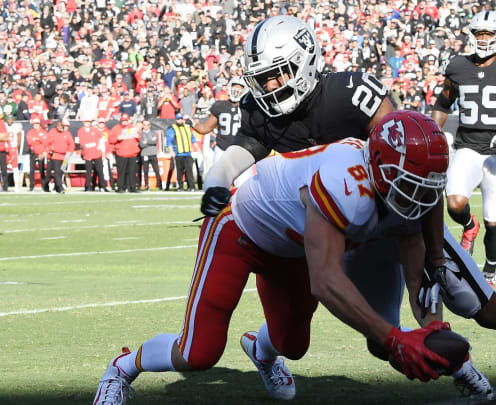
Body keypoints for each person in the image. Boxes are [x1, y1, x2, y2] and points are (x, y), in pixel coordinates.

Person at [200, 15, 492, 398]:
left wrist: (429, 237)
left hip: (384, 209)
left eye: (279, 73)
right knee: (311, 330)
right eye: (264, 77)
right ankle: (263, 349)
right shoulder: (262, 109)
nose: (270, 86)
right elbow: (244, 150)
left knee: (436, 288)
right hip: (331, 219)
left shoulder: (348, 92)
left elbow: (404, 150)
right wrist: (216, 181)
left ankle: (463, 370)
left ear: (304, 61)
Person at [94, 112, 457, 403]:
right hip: (239, 230)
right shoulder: (345, 182)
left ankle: (259, 349)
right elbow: (327, 281)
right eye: (409, 183)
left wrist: (431, 329)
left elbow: (417, 270)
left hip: (292, 247)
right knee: (198, 353)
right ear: (380, 167)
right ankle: (122, 367)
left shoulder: (390, 181)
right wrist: (393, 337)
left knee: (293, 347)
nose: (416, 196)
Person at [430, 10, 496, 288]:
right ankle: (468, 226)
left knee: (494, 221)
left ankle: (489, 271)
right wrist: (432, 132)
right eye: (479, 33)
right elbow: (443, 105)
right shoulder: (457, 66)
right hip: (467, 146)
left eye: (489, 33)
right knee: (453, 203)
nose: (484, 39)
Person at [192, 77, 245, 166]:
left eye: (240, 88)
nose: (236, 91)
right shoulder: (220, 105)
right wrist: (193, 123)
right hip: (222, 149)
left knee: (244, 179)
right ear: (229, 88)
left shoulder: (247, 108)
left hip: (241, 151)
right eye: (234, 87)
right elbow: (205, 128)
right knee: (217, 179)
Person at [165, 114, 198, 192]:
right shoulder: (173, 129)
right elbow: (169, 141)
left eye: (181, 119)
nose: (180, 120)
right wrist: (171, 151)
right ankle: (180, 187)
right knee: (179, 172)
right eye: (178, 119)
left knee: (189, 171)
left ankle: (191, 187)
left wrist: (197, 149)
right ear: (176, 120)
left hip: (188, 153)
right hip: (178, 153)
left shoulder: (187, 128)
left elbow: (192, 139)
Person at [110, 114, 141, 193]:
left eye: (126, 121)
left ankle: (132, 187)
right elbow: (111, 140)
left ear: (128, 120)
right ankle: (121, 187)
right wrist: (118, 138)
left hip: (132, 153)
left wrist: (137, 135)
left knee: (132, 171)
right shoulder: (116, 128)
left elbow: (139, 138)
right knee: (121, 171)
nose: (124, 122)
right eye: (123, 121)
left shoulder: (133, 128)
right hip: (121, 153)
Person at [42, 120, 75, 193]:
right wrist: (49, 150)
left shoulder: (67, 134)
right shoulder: (52, 132)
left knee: (61, 172)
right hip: (56, 155)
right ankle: (60, 188)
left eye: (62, 126)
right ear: (56, 126)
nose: (60, 127)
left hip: (65, 156)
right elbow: (47, 143)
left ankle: (57, 187)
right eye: (59, 126)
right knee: (57, 172)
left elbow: (71, 144)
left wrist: (69, 152)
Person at [77, 118, 109, 192]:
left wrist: (102, 152)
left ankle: (102, 186)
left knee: (100, 170)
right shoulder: (81, 131)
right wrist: (90, 145)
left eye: (88, 122)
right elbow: (82, 142)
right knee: (88, 171)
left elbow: (101, 141)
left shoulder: (95, 130)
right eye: (86, 121)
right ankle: (88, 186)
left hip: (97, 153)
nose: (87, 123)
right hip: (87, 153)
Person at [139, 120, 162, 191]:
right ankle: (146, 185)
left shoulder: (153, 132)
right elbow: (141, 144)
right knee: (145, 171)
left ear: (149, 125)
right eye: (144, 125)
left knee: (156, 170)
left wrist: (146, 141)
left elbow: (155, 141)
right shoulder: (140, 133)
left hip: (153, 153)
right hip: (145, 153)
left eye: (147, 125)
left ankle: (160, 185)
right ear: (143, 125)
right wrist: (150, 141)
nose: (146, 126)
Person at [26, 118, 48, 192]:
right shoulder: (30, 132)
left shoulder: (44, 132)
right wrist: (38, 140)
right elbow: (30, 141)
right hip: (33, 153)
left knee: (42, 170)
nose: (36, 125)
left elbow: (45, 142)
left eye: (37, 124)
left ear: (39, 124)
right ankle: (31, 186)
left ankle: (43, 186)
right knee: (31, 170)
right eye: (34, 124)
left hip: (41, 153)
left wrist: (42, 152)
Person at [0, 119, 8, 191]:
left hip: (1, 150)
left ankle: (5, 187)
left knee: (4, 169)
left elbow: (5, 136)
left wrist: (2, 136)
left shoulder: (1, 122)